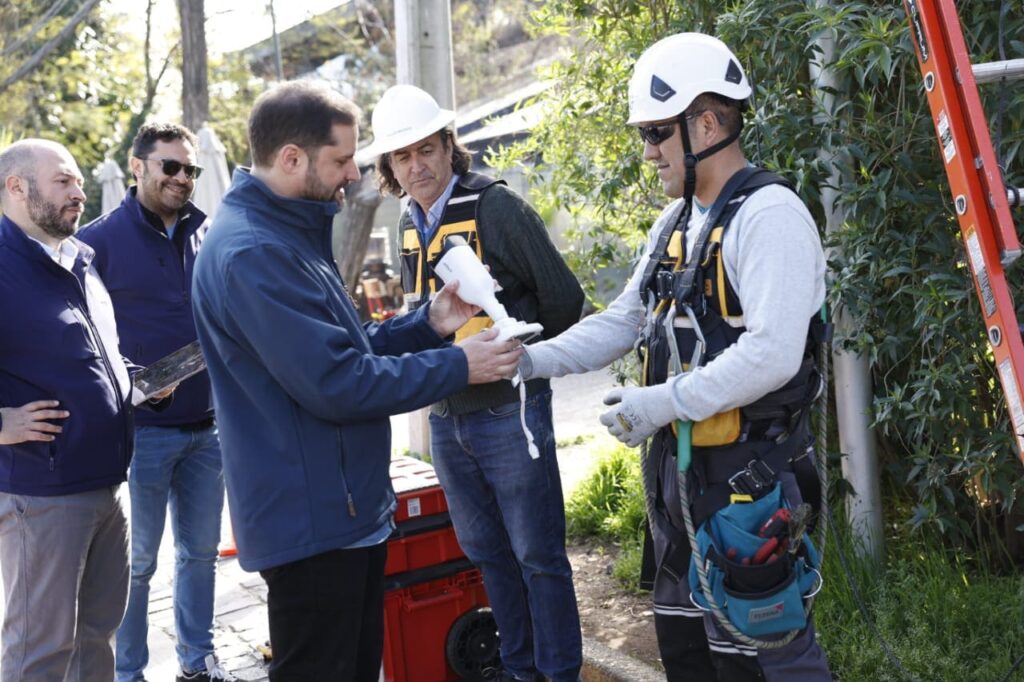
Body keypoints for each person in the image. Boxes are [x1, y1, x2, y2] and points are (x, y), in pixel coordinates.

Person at [518, 33, 832, 680]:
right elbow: (625, 320)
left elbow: (773, 354)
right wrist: (526, 361)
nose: (648, 152)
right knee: (691, 652)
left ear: (709, 123)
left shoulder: (769, 216)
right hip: (681, 489)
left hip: (751, 485)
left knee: (768, 655)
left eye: (658, 133)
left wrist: (660, 403)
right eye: (644, 135)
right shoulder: (677, 223)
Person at [191, 80, 523, 681]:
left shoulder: (285, 232)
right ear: (292, 158)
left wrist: (430, 324)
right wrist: (460, 364)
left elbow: (345, 348)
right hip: (313, 519)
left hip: (333, 509)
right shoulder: (254, 253)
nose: (354, 175)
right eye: (342, 160)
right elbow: (338, 382)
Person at [368, 83, 586, 682]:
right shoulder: (409, 219)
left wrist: (521, 354)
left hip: (508, 415)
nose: (417, 165)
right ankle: (520, 671)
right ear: (389, 167)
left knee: (539, 558)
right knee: (488, 556)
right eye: (402, 156)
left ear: (448, 145)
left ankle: (559, 674)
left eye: (427, 149)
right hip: (446, 418)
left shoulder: (496, 207)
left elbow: (566, 300)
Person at [0, 139, 168, 681]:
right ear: (16, 188)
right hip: (41, 495)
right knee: (40, 652)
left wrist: (133, 383)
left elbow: (95, 351)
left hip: (105, 486)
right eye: (64, 181)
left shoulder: (79, 259)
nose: (80, 192)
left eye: (78, 181)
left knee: (95, 638)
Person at [78, 122, 233, 682]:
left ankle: (197, 663)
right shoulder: (94, 243)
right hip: (141, 434)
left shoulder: (208, 232)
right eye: (172, 167)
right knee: (137, 564)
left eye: (191, 169)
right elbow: (83, 339)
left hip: (209, 427)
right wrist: (134, 378)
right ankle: (129, 672)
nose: (183, 178)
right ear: (138, 166)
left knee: (201, 554)